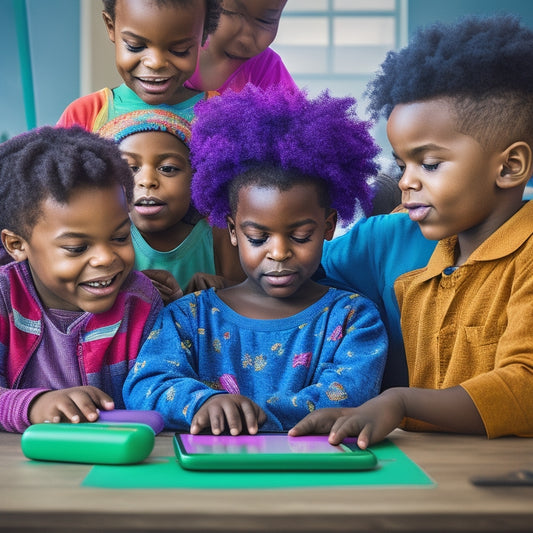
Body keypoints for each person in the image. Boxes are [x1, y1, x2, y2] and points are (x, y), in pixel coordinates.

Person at [290, 14, 533, 447]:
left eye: (430, 164)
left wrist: (401, 402)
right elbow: (299, 270)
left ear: (510, 166)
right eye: (403, 165)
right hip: (429, 465)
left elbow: (526, 385)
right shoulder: (421, 269)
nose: (405, 182)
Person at [123, 84, 387, 435]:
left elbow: (347, 395)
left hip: (314, 482)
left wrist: (246, 418)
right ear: (232, 230)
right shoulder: (188, 315)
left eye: (300, 236)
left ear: (328, 226)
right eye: (258, 238)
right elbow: (145, 385)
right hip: (207, 484)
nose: (278, 253)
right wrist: (204, 403)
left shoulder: (355, 318)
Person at [0, 126, 163, 433]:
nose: (105, 258)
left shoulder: (140, 301)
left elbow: (159, 384)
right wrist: (34, 405)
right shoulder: (4, 296)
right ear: (17, 245)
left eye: (119, 236)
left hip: (113, 464)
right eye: (77, 248)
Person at [98, 108, 244, 301]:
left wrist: (225, 291)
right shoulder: (104, 239)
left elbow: (252, 298)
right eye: (130, 168)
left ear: (198, 176)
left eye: (167, 168)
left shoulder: (219, 236)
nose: (147, 181)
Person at [56, 0, 221, 131]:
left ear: (204, 35)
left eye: (179, 49)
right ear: (111, 26)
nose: (155, 63)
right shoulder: (84, 115)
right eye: (135, 46)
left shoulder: (221, 114)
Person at [184, 0, 296, 94]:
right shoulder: (175, 51)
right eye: (232, 13)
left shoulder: (266, 67)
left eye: (265, 21)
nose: (246, 38)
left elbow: (296, 117)